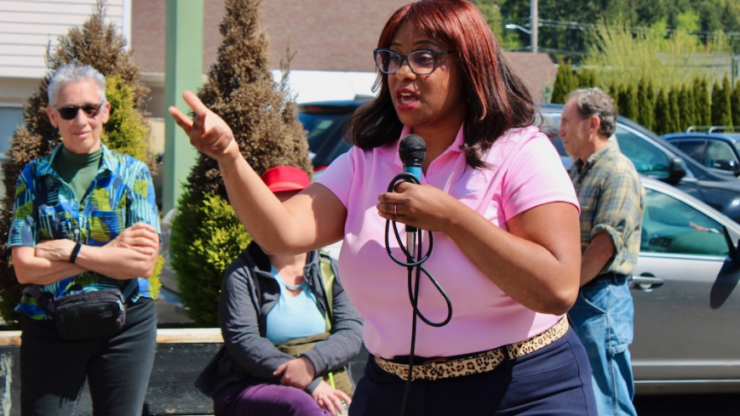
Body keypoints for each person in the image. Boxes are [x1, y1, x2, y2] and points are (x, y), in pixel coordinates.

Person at [170, 1, 597, 414]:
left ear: (470, 65)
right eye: (393, 58)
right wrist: (230, 156)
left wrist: (453, 219)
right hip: (395, 390)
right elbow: (281, 232)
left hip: (521, 390)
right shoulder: (366, 161)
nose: (402, 72)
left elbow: (557, 289)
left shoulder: (521, 152)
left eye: (424, 57)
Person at [8, 63, 160, 416]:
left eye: (90, 109)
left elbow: (142, 264)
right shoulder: (33, 177)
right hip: (49, 322)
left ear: (105, 111)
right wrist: (110, 253)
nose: (81, 120)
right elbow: (25, 269)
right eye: (69, 110)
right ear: (53, 116)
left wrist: (68, 250)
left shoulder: (132, 174)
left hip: (126, 323)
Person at [195, 165, 363, 416]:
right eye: (275, 209)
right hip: (250, 383)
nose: (283, 220)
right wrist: (308, 382)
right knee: (304, 407)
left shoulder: (331, 270)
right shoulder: (243, 273)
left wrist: (310, 365)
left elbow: (351, 332)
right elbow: (243, 341)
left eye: (292, 209)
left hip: (324, 379)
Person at [559, 88, 645, 416]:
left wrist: (563, 288)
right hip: (581, 297)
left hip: (599, 301)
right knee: (587, 402)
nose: (561, 130)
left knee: (609, 403)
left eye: (566, 121)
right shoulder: (579, 170)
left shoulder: (617, 172)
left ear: (593, 124)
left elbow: (602, 249)